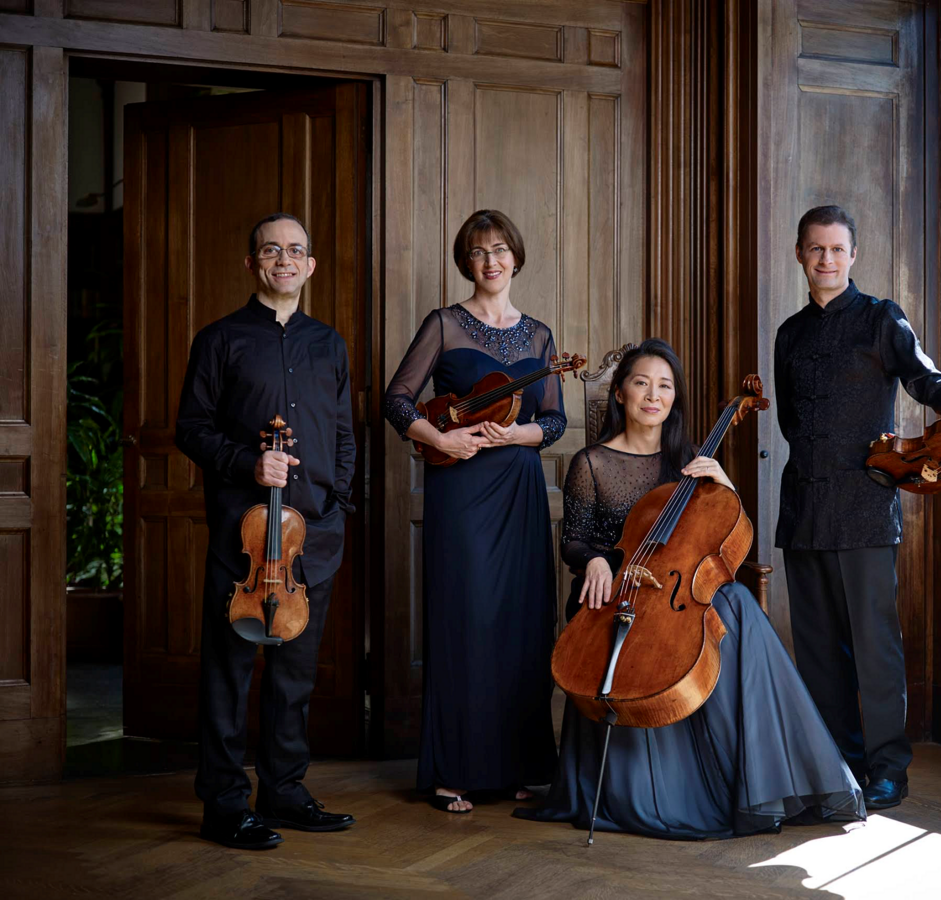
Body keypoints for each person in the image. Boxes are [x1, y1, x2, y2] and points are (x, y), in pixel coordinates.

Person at [518, 339, 865, 839]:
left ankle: (766, 779)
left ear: (674, 398)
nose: (652, 395)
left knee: (738, 604)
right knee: (729, 611)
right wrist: (596, 561)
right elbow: (575, 538)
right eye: (641, 383)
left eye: (665, 386)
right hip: (617, 590)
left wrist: (724, 484)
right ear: (620, 393)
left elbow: (718, 537)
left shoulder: (686, 462)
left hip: (675, 596)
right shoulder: (591, 463)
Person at [774, 205, 941, 810]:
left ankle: (888, 770)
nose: (826, 259)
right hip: (803, 506)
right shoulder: (789, 333)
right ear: (799, 255)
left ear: (853, 256)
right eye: (816, 249)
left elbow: (926, 378)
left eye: (837, 249)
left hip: (864, 505)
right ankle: (837, 764)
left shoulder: (882, 319)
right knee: (818, 649)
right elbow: (790, 421)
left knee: (875, 646)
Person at [176, 212, 357, 849]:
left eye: (297, 250)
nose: (285, 259)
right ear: (254, 263)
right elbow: (191, 429)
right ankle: (224, 803)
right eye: (272, 249)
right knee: (228, 672)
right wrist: (247, 463)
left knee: (294, 673)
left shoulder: (328, 343)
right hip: (245, 539)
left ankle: (282, 790)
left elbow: (342, 433)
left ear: (310, 266)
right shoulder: (219, 339)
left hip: (314, 536)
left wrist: (337, 502)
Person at [384, 209, 564, 813]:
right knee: (466, 616)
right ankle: (453, 771)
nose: (490, 261)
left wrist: (520, 437)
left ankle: (513, 766)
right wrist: (441, 441)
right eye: (478, 252)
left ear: (516, 256)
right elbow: (397, 398)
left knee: (518, 621)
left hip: (518, 486)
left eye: (500, 249)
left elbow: (556, 421)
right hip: (459, 487)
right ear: (467, 262)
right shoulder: (444, 324)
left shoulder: (539, 335)